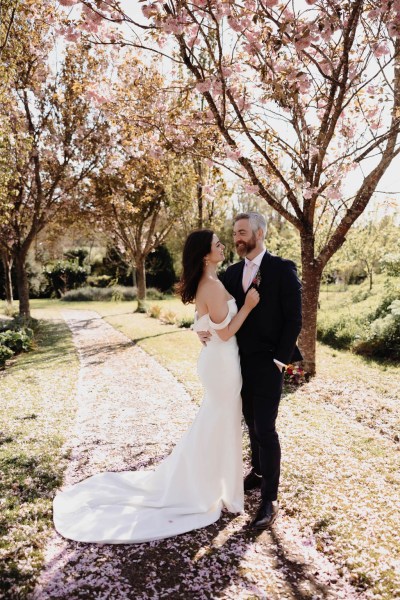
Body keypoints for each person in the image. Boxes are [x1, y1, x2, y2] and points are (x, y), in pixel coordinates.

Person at [53, 229, 259, 543]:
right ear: (206, 254)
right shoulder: (213, 286)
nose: (222, 246)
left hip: (218, 362)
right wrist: (249, 305)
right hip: (222, 365)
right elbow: (227, 332)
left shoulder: (211, 284)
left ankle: (215, 484)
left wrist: (197, 327)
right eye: (217, 244)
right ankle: (208, 487)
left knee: (215, 423)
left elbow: (203, 321)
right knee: (220, 423)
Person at [197, 212, 302, 530]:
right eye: (234, 233)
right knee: (250, 424)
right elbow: (212, 307)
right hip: (235, 365)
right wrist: (198, 325)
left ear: (260, 233)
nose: (237, 238)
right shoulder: (230, 273)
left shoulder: (283, 270)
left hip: (269, 364)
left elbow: (294, 319)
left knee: (266, 428)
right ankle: (257, 473)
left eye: (242, 231)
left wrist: (280, 361)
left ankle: (269, 499)